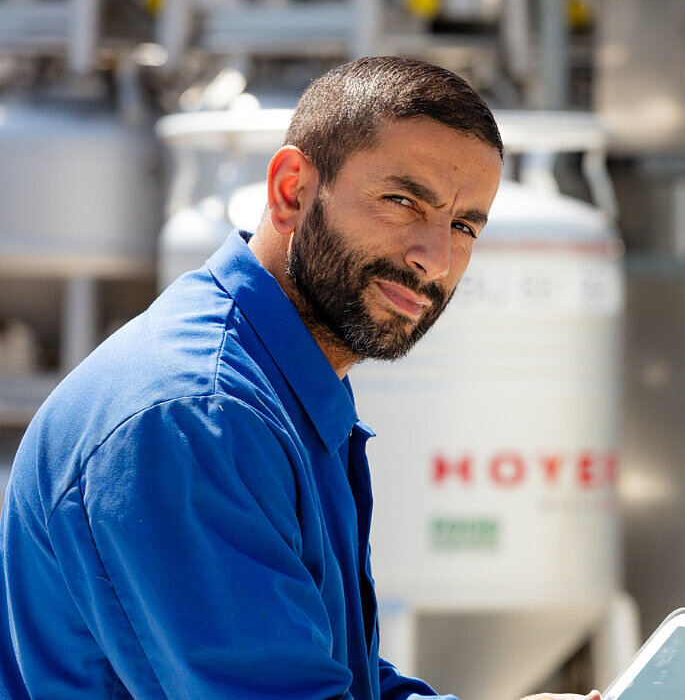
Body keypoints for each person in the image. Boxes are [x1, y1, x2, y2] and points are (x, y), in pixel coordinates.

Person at [0, 56, 598, 700]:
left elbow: (315, 668)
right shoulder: (201, 416)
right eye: (402, 201)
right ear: (291, 190)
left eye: (463, 226)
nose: (436, 258)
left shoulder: (282, 383)